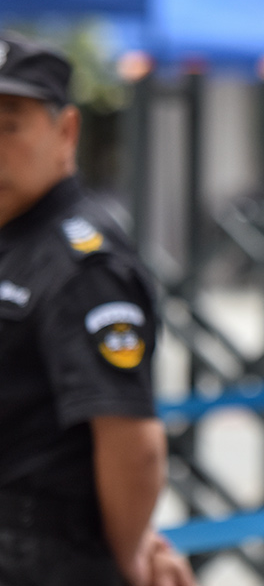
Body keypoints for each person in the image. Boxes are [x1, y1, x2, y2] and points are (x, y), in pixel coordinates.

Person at [0, 32, 194, 586]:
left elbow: (132, 444)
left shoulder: (80, 263)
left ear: (66, 132)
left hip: (44, 555)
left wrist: (128, 557)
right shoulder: (14, 243)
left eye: (10, 124)